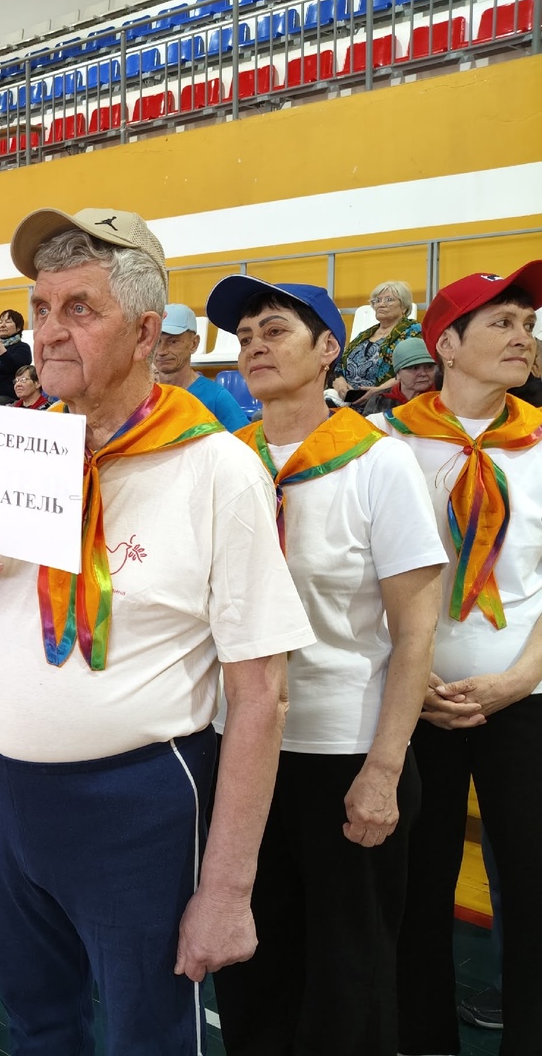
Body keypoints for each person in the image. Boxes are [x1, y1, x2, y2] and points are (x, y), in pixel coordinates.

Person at [0, 207, 315, 1054]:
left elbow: (262, 695)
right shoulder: (22, 450)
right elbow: (15, 624)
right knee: (36, 1022)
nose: (48, 332)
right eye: (41, 308)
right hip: (2, 789)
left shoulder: (218, 468)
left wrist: (227, 889)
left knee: (148, 1037)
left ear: (146, 332)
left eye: (80, 308)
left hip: (135, 803)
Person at [203, 276, 445, 1054]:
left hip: (343, 748)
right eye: (245, 337)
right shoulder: (224, 463)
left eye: (275, 330)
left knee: (349, 976)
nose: (255, 347)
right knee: (250, 965)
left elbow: (415, 631)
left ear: (329, 348)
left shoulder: (380, 463)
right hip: (240, 747)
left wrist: (385, 767)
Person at [371, 262, 542, 1056]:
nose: (523, 336)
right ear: (446, 343)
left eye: (527, 323)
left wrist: (523, 676)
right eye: (501, 321)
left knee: (533, 885)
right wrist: (414, 675)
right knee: (417, 884)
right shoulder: (384, 443)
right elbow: (361, 576)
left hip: (524, 695)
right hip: (415, 698)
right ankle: (424, 1039)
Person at [152, 302, 249, 430]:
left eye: (173, 341)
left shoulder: (216, 398)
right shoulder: (145, 398)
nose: (161, 351)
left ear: (194, 344)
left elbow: (244, 439)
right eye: (157, 342)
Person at [332, 280, 421, 400]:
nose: (381, 305)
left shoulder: (414, 331)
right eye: (377, 301)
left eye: (389, 300)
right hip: (346, 399)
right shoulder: (364, 335)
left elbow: (416, 369)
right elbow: (339, 364)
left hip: (387, 400)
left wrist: (380, 390)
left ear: (404, 306)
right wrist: (339, 382)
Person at [354, 336, 437, 416]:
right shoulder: (379, 399)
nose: (423, 373)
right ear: (398, 373)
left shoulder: (440, 399)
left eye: (429, 367)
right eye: (414, 368)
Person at [0, 308, 32, 403]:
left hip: (7, 397)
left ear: (18, 328)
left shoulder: (22, 347)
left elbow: (15, 368)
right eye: (0, 322)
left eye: (8, 322)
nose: (3, 325)